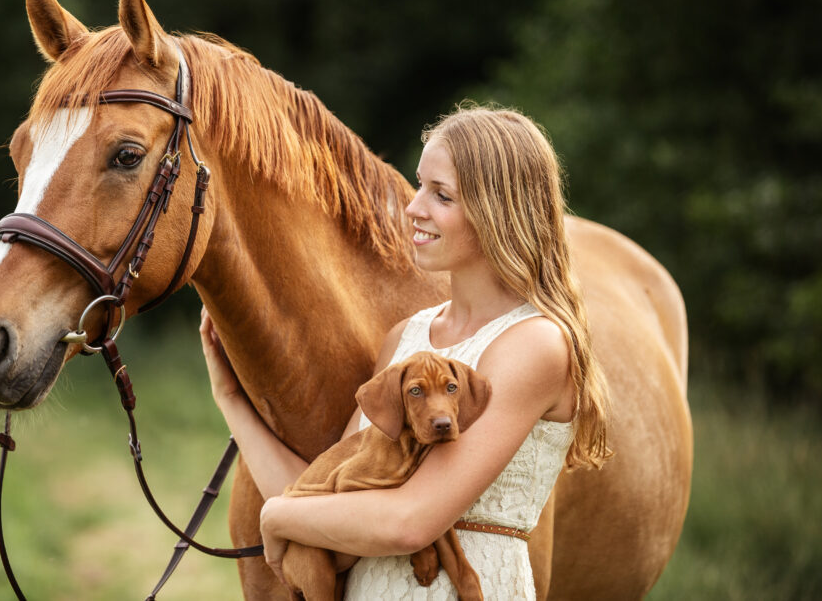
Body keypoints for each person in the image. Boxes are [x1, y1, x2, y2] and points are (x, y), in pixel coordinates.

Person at [200, 105, 611, 599]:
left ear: (498, 212)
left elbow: (411, 522)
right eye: (420, 186)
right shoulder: (406, 339)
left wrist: (278, 517)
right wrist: (230, 399)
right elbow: (320, 490)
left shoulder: (535, 344)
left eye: (442, 195)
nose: (414, 208)